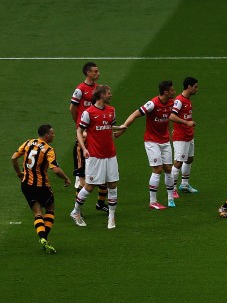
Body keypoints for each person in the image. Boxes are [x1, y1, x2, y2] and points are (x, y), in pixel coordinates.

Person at [119, 80, 194, 210]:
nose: (174, 92)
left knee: (168, 169)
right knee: (157, 169)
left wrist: (170, 131)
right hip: (151, 141)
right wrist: (124, 126)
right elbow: (135, 114)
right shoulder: (152, 104)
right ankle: (153, 201)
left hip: (165, 141)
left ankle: (170, 198)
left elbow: (168, 118)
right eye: (172, 90)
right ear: (166, 92)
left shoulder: (172, 103)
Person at [11, 124, 72, 253]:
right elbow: (55, 169)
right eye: (52, 133)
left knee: (37, 212)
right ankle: (44, 238)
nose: (54, 135)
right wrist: (66, 178)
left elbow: (14, 158)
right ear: (46, 135)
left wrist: (18, 173)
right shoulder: (48, 149)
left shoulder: (28, 142)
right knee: (50, 209)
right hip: (42, 186)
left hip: (26, 185)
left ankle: (43, 238)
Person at [72, 85, 123, 229]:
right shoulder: (89, 113)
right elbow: (79, 131)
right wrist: (84, 148)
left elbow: (109, 127)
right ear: (101, 95)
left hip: (110, 154)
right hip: (94, 155)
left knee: (112, 184)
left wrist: (121, 128)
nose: (110, 95)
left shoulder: (112, 110)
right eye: (108, 93)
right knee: (90, 186)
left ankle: (111, 218)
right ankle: (76, 212)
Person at [68, 62, 109, 213]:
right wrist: (79, 124)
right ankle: (78, 208)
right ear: (88, 73)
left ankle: (100, 203)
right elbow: (72, 108)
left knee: (104, 173)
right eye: (95, 71)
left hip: (96, 136)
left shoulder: (98, 90)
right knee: (83, 177)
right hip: (84, 136)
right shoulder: (80, 90)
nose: (98, 73)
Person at [170, 77, 199, 199]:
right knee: (178, 162)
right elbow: (171, 116)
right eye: (195, 86)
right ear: (189, 87)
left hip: (189, 135)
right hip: (181, 137)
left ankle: (185, 184)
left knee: (189, 159)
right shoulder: (179, 100)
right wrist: (186, 123)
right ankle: (172, 189)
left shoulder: (188, 100)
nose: (197, 89)